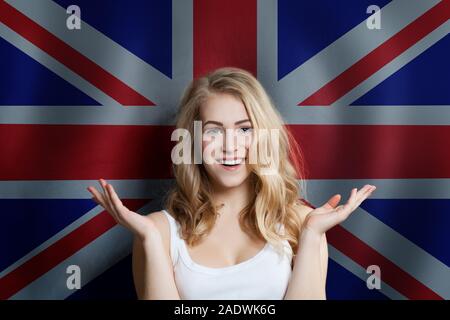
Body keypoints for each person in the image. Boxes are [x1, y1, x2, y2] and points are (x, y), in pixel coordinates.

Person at [87, 67, 376, 300]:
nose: (230, 146)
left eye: (244, 129)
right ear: (194, 141)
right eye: (214, 130)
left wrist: (311, 235)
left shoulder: (302, 223)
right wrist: (149, 240)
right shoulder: (157, 231)